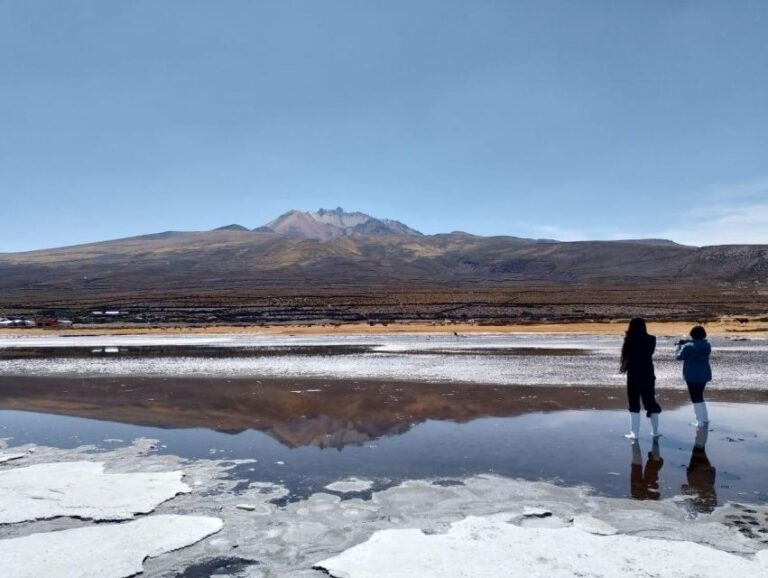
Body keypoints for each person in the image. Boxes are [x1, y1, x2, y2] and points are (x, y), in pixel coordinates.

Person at [620, 317, 662, 439]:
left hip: (634, 373)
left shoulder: (629, 340)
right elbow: (649, 353)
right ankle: (655, 431)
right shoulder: (651, 339)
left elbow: (626, 356)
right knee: (650, 400)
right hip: (648, 372)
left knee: (633, 401)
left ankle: (634, 433)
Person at [675, 325, 712, 427]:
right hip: (704, 374)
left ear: (692, 335)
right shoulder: (707, 345)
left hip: (692, 375)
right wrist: (687, 342)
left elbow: (678, 357)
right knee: (700, 396)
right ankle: (705, 419)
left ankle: (699, 421)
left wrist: (678, 346)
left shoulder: (688, 347)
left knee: (695, 398)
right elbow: (697, 344)